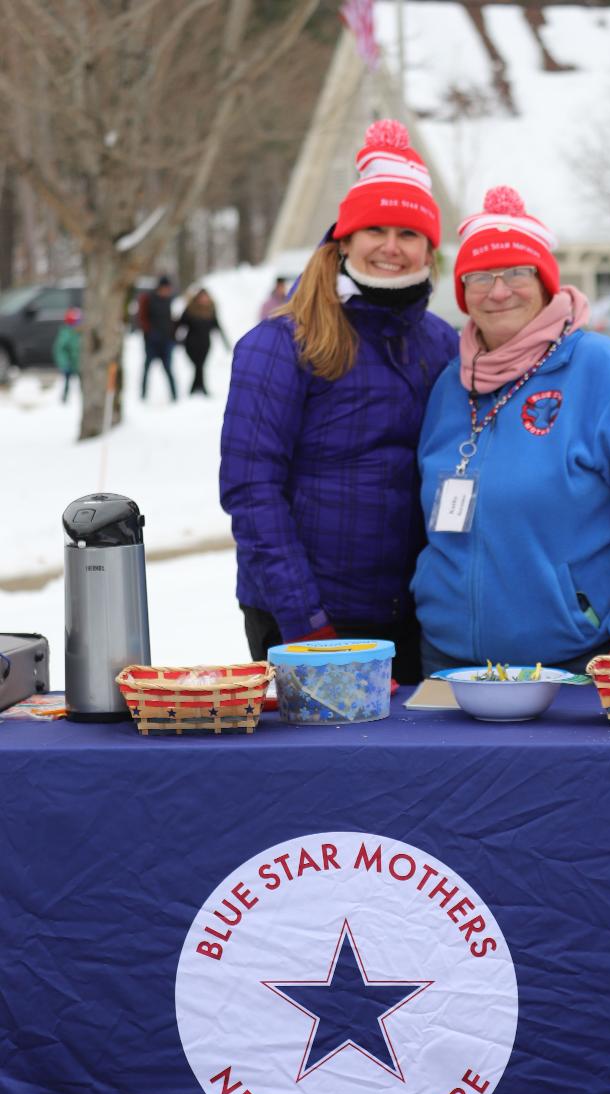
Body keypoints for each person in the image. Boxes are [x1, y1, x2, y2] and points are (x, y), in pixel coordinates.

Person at [412, 186, 610, 677]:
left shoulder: (605, 374)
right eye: (479, 278)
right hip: (447, 658)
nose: (498, 291)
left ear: (543, 281)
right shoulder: (450, 386)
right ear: (462, 293)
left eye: (516, 273)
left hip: (573, 657)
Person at [219, 119, 459, 685]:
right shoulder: (281, 343)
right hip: (305, 617)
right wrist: (310, 628)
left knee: (415, 772)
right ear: (344, 239)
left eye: (409, 234)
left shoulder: (443, 343)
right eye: (375, 230)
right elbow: (252, 492)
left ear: (429, 249)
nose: (391, 248)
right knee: (323, 771)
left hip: (413, 615)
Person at [177, 287, 228, 395]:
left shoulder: (210, 311)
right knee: (198, 366)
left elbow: (217, 326)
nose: (204, 299)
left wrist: (225, 342)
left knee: (200, 365)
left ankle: (197, 388)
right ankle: (199, 388)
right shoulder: (190, 310)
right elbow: (180, 324)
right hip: (191, 343)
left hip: (205, 344)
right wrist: (176, 339)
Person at [138, 275, 178, 401]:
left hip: (166, 341)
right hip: (151, 341)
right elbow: (141, 318)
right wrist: (149, 332)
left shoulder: (169, 300)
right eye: (166, 288)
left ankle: (174, 396)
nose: (167, 291)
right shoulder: (148, 299)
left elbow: (171, 319)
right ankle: (143, 395)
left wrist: (173, 336)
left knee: (168, 369)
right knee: (147, 368)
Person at [53, 307, 82, 403]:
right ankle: (64, 398)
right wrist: (64, 362)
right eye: (75, 323)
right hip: (69, 363)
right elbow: (60, 350)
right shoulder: (66, 333)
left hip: (79, 363)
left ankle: (82, 396)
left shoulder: (80, 334)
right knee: (67, 381)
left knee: (83, 381)